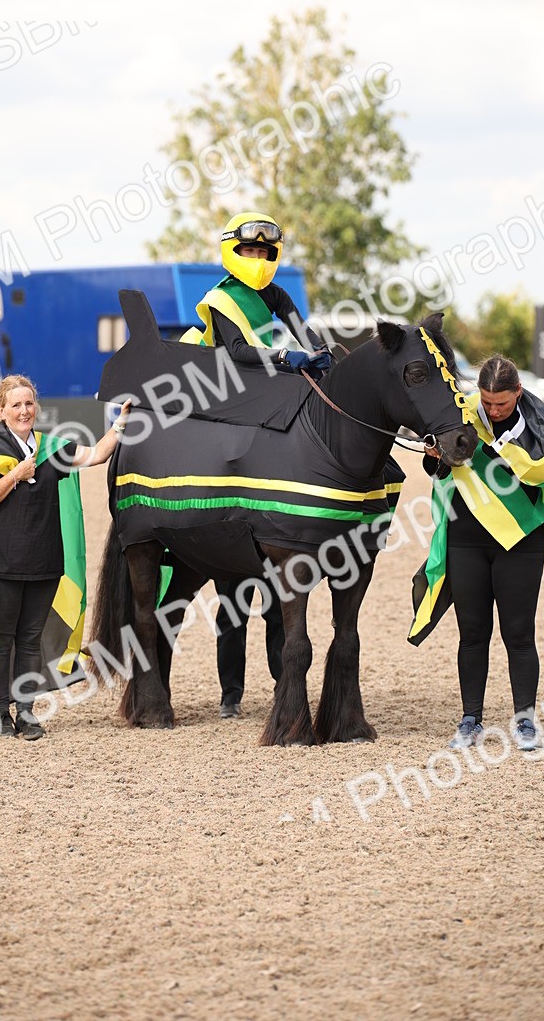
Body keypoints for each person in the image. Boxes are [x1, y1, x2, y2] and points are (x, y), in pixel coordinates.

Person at [182, 212, 332, 718]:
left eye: (267, 253)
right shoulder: (221, 299)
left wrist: (321, 354)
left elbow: (303, 332)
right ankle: (230, 695)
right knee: (231, 605)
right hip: (222, 390)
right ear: (232, 251)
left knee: (274, 604)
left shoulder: (278, 295)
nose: (260, 260)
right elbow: (240, 351)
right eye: (251, 252)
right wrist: (288, 358)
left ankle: (280, 686)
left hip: (268, 385)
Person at [409, 354, 544, 752]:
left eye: (501, 404)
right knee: (472, 634)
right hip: (465, 537)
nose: (493, 409)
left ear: (518, 393)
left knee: (519, 634)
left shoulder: (540, 427)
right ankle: (470, 719)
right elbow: (436, 469)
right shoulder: (462, 415)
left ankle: (525, 721)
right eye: (487, 402)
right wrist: (434, 458)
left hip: (520, 540)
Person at [0, 374, 130, 740]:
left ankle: (26, 713)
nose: (24, 411)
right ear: (2, 410)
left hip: (45, 563)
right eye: (16, 405)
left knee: (31, 639)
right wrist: (16, 476)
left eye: (29, 404)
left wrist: (122, 423)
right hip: (1, 564)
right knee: (3, 639)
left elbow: (98, 454)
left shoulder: (51, 449)